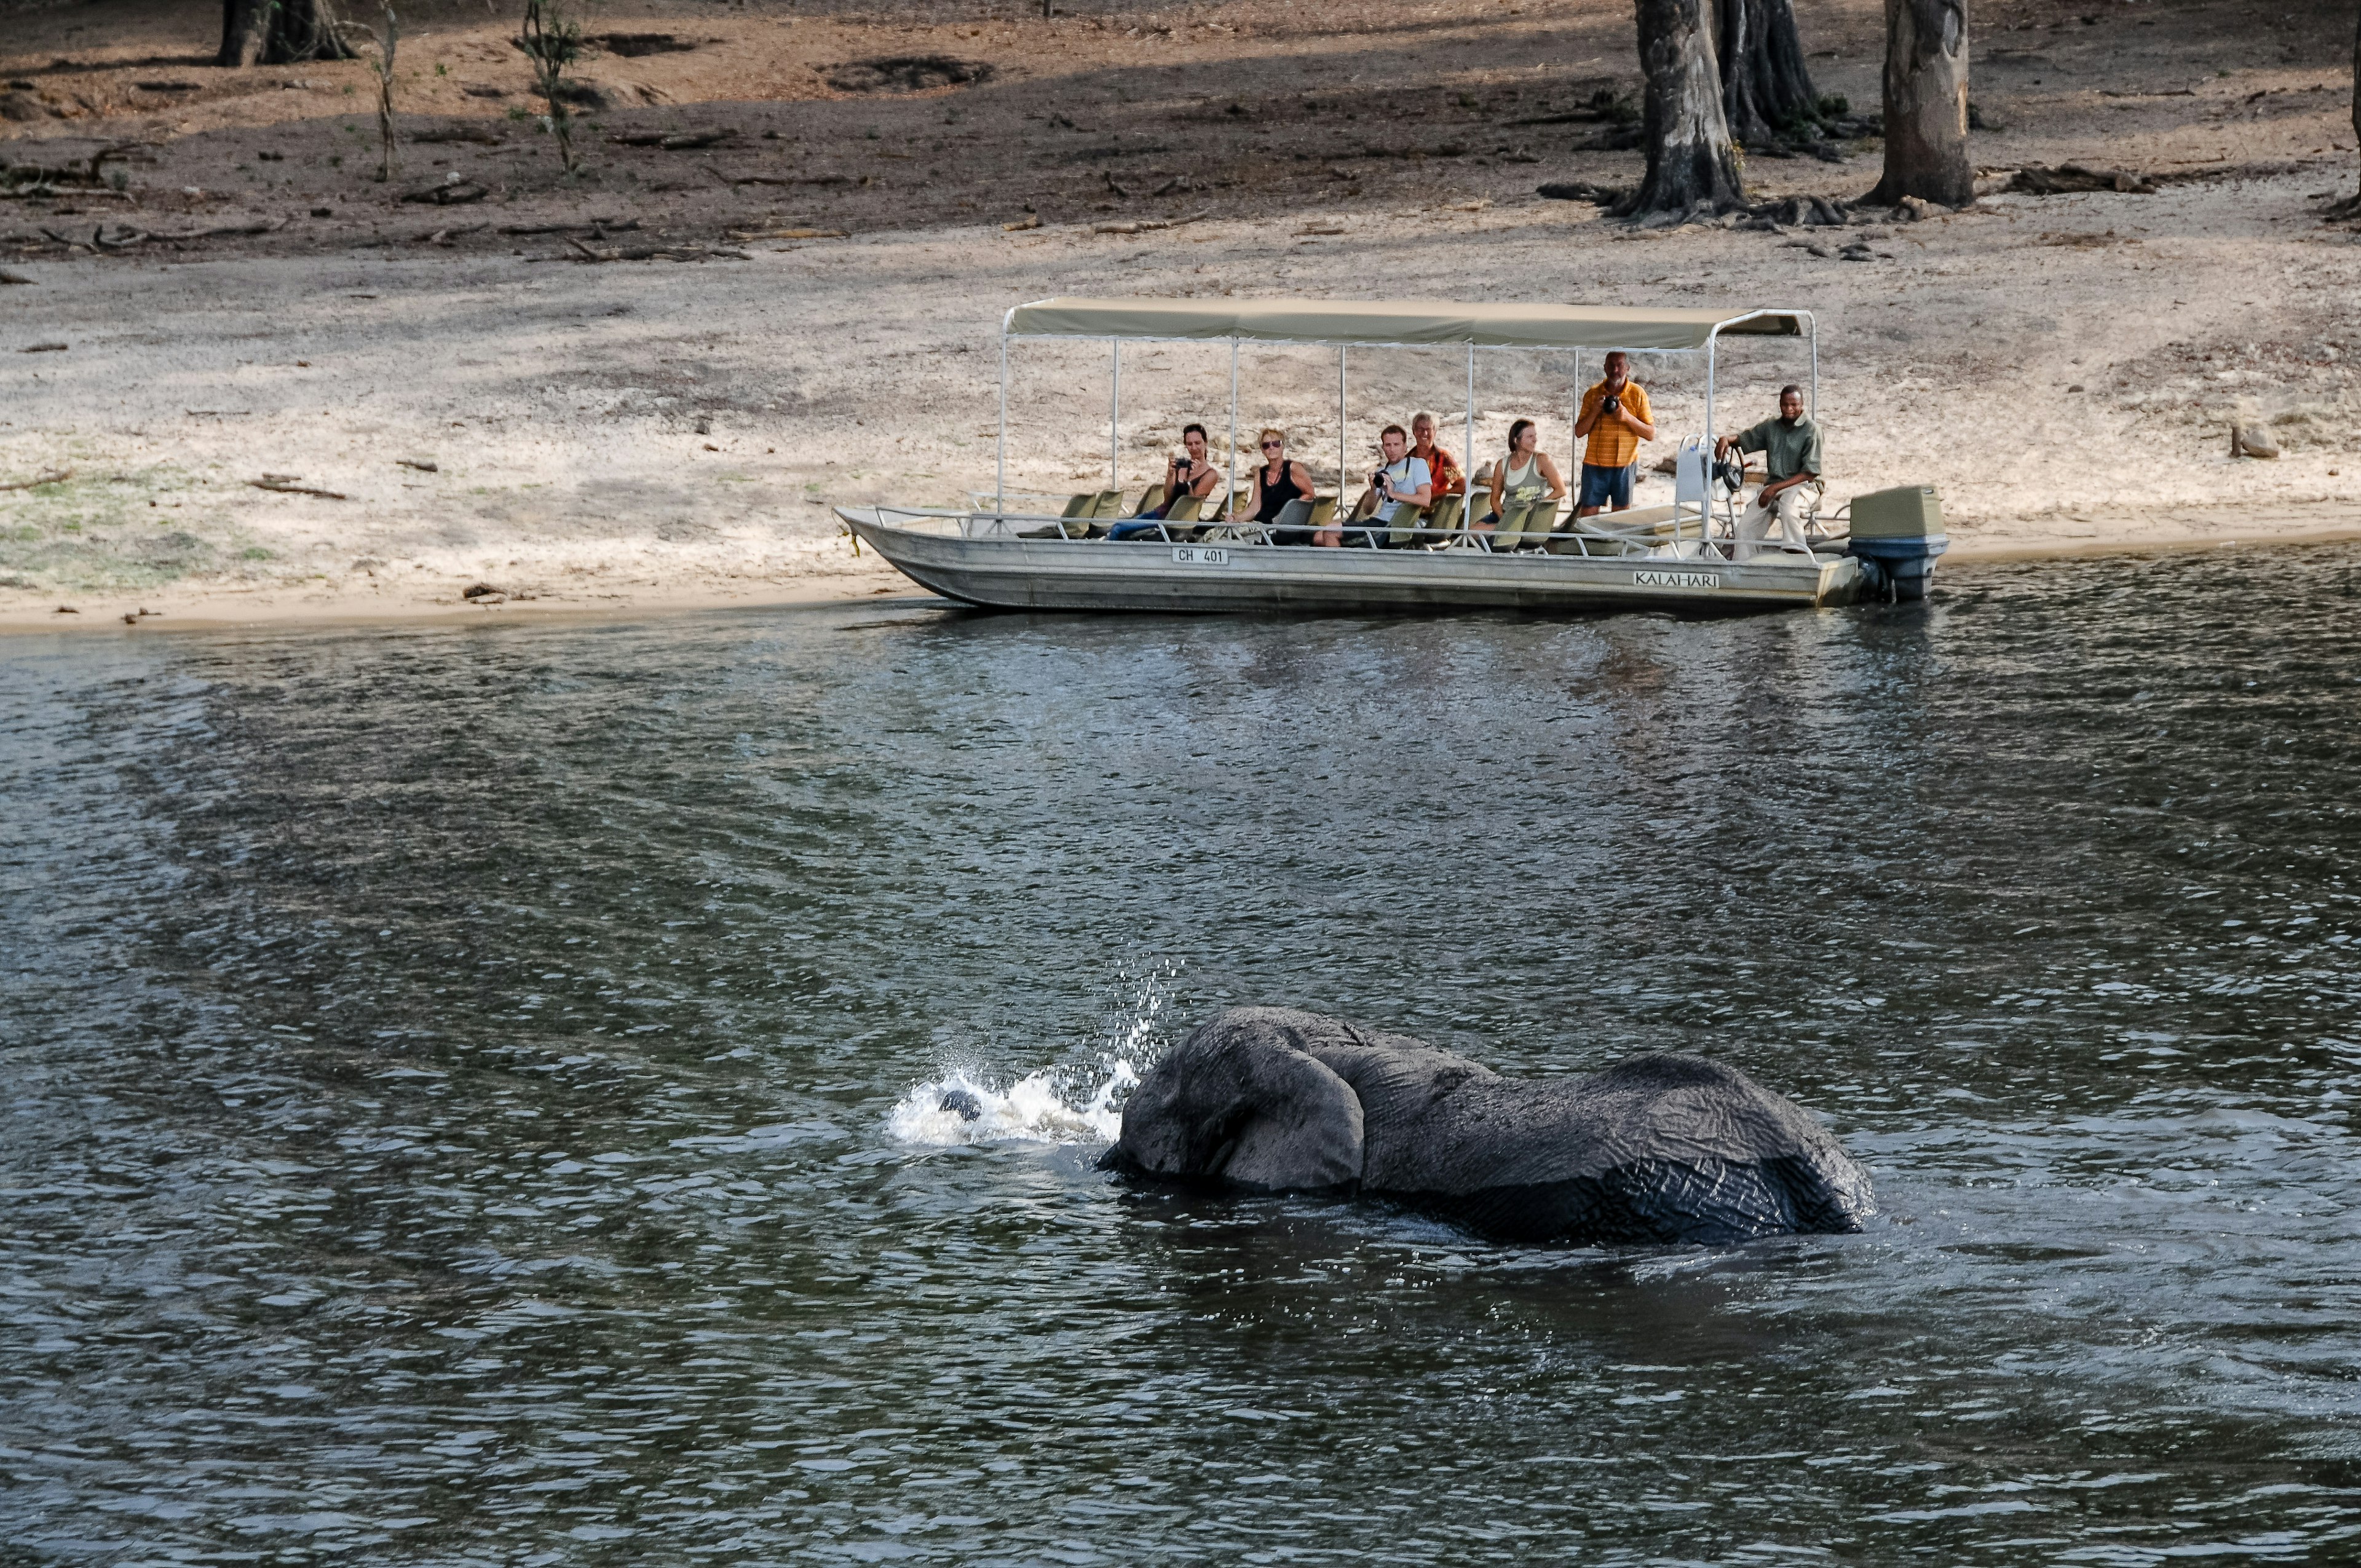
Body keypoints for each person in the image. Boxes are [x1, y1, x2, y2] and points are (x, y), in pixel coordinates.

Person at [1716, 384, 1824, 559]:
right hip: (1774, 486)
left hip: (1804, 485)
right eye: (1785, 405)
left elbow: (1810, 473)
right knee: (1745, 526)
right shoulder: (1771, 426)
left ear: (1802, 405)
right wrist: (1726, 439)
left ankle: (1798, 556)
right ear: (1780, 404)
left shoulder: (1812, 430)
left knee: (1789, 509)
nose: (1789, 409)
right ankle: (1743, 564)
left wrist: (1773, 489)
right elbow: (1746, 438)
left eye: (1794, 405)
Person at [1572, 350, 1656, 519]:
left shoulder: (1638, 394)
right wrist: (1595, 411)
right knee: (1588, 516)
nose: (1615, 370)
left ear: (1628, 368)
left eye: (1620, 366)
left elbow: (1650, 433)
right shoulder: (1593, 394)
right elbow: (1579, 432)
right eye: (1611, 366)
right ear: (1605, 368)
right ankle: (1588, 545)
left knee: (1620, 518)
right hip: (1594, 464)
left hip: (1625, 464)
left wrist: (1626, 417)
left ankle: (1615, 545)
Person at [1319, 424, 1430, 548]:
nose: (1392, 449)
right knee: (1322, 534)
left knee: (1330, 531)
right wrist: (1373, 489)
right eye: (1388, 445)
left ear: (1405, 446)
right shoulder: (1382, 471)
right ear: (1383, 447)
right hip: (1377, 522)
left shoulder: (1418, 465)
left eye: (1396, 445)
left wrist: (1393, 494)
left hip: (1390, 527)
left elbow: (1425, 500)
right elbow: (1368, 510)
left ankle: (1340, 567)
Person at [1109, 422, 1221, 540]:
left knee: (1118, 528)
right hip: (1161, 514)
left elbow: (1191, 503)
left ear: (1206, 443)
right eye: (1189, 444)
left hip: (1176, 520)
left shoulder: (1210, 474)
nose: (1194, 448)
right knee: (1121, 529)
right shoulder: (1183, 466)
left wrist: (1189, 481)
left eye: (1198, 443)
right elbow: (1168, 498)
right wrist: (1170, 474)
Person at [1475, 418, 1568, 537]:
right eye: (1530, 436)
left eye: (1535, 436)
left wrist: (1538, 506)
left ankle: (1505, 532)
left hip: (1529, 516)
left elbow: (1561, 490)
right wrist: (1504, 520)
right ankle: (1506, 530)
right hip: (1506, 514)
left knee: (1480, 533)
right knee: (1470, 532)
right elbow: (1495, 500)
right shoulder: (1502, 464)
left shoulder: (1541, 460)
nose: (1535, 440)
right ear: (1516, 440)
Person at [1246, 428, 1319, 544]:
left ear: (1283, 446)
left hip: (1284, 530)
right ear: (1262, 450)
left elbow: (1310, 494)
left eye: (1276, 444)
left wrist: (1291, 512)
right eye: (1266, 445)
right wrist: (1237, 518)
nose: (1271, 448)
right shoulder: (1260, 473)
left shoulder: (1293, 468)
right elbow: (1255, 507)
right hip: (1263, 526)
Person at [1408, 412, 1465, 498]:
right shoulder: (1407, 460)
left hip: (1436, 510)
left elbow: (1463, 486)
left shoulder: (1444, 458)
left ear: (1435, 432)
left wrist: (1436, 496)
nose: (1425, 433)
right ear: (1414, 431)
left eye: (1429, 429)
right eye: (1420, 429)